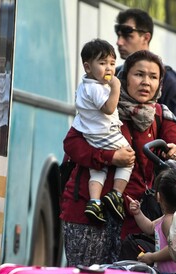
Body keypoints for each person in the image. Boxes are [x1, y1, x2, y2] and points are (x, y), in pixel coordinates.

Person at [60, 50, 176, 267]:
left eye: (153, 77)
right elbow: (72, 145)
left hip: (135, 219)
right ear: (123, 77)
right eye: (139, 74)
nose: (146, 82)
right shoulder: (101, 106)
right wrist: (110, 157)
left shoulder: (161, 114)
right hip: (91, 214)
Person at [72, 39, 131, 224]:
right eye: (103, 63)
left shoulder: (83, 86)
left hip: (92, 136)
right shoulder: (96, 88)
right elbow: (109, 108)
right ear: (88, 68)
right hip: (105, 134)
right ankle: (116, 194)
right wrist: (116, 87)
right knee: (128, 157)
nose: (109, 69)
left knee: (98, 169)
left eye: (112, 64)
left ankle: (94, 202)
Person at [115, 8, 176, 139]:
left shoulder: (169, 81)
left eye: (128, 35)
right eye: (118, 35)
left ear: (146, 37)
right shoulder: (114, 76)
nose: (119, 42)